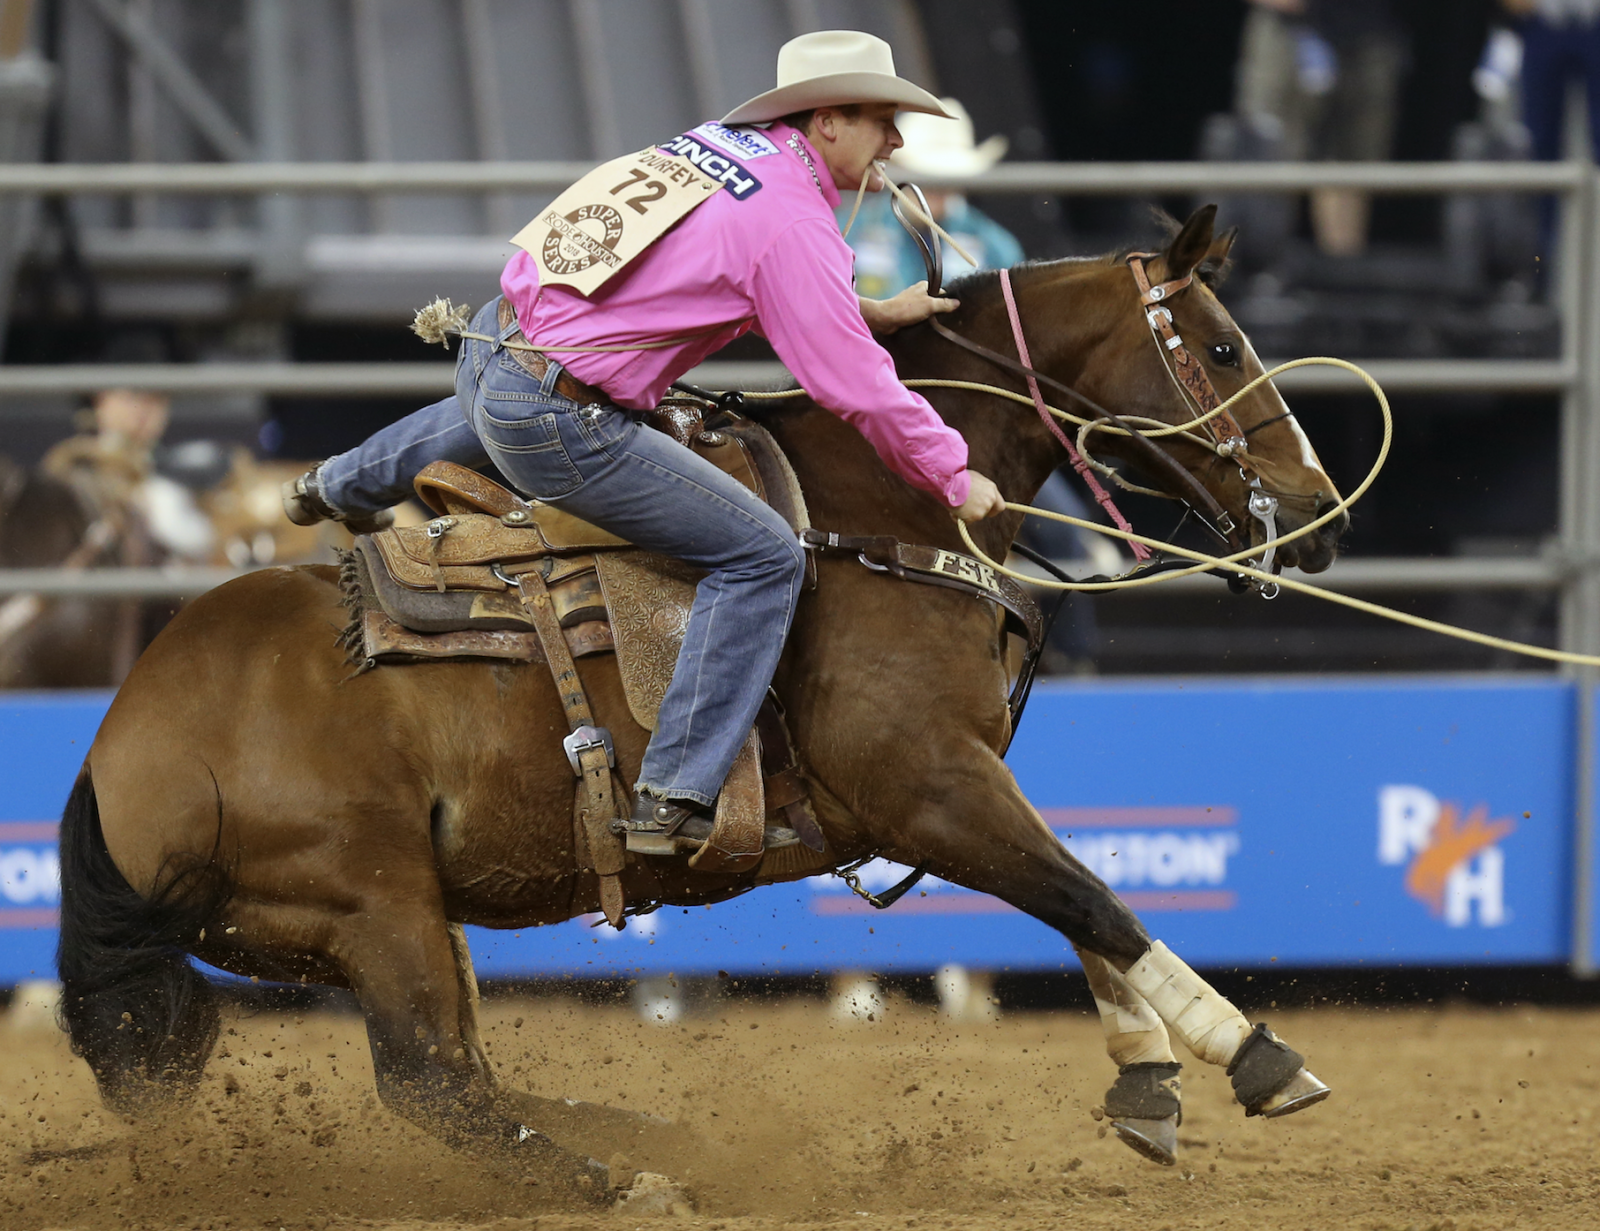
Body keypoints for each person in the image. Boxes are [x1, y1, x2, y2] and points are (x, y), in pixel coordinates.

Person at [282, 31, 1006, 849]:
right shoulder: (795, 223)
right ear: (830, 121)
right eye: (883, 120)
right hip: (559, 416)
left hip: (498, 343)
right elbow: (851, 385)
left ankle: (335, 484)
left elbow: (718, 265)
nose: (898, 142)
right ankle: (674, 791)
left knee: (511, 400)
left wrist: (861, 309)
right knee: (766, 555)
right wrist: (952, 474)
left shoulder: (724, 148)